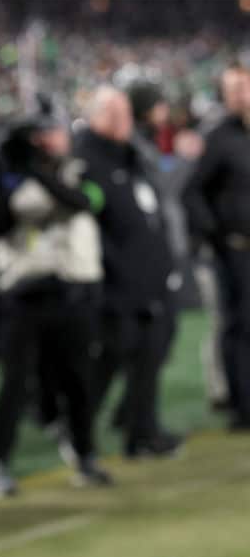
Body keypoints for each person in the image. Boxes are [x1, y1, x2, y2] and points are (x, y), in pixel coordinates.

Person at [0, 118, 110, 498]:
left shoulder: (78, 170)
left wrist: (35, 172)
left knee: (76, 379)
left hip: (69, 291)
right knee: (15, 382)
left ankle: (85, 454)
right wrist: (10, 173)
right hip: (23, 293)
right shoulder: (10, 177)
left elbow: (84, 201)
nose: (49, 142)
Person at [74, 86, 183, 457]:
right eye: (116, 115)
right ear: (97, 116)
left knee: (150, 356)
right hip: (114, 284)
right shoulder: (85, 159)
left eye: (126, 114)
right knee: (107, 361)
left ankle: (142, 432)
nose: (126, 122)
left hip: (150, 278)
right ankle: (78, 435)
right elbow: (91, 223)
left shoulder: (130, 156)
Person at [182, 66, 250, 429]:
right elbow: (191, 191)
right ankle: (242, 408)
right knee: (238, 327)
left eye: (245, 87)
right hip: (236, 249)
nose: (241, 95)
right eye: (233, 89)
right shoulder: (219, 138)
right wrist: (216, 235)